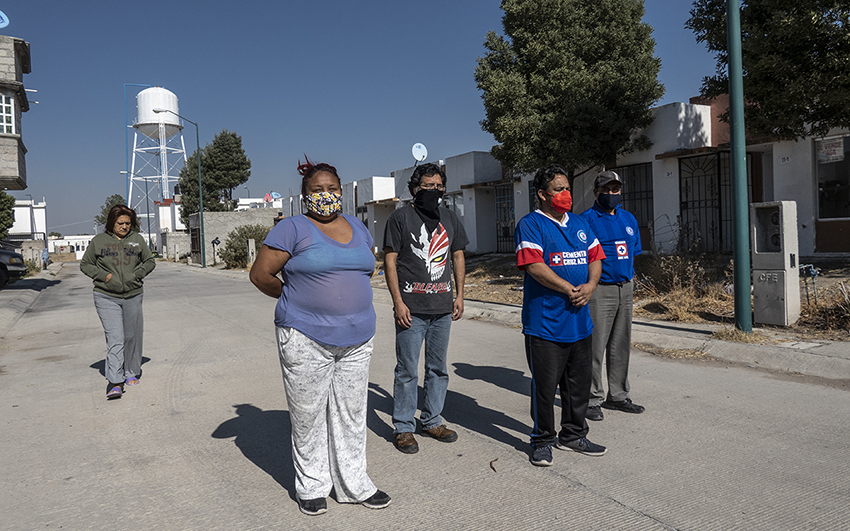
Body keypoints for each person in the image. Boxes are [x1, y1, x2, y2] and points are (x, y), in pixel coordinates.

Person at [249, 158, 390, 516]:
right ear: (304, 195)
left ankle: (354, 484)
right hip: (305, 336)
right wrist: (295, 300)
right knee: (308, 415)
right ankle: (311, 485)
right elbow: (261, 274)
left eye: (331, 189)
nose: (325, 195)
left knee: (352, 414)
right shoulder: (293, 228)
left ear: (341, 191)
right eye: (317, 190)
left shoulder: (359, 227)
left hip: (358, 339)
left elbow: (365, 269)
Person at [514, 164, 607, 467]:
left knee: (578, 385)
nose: (565, 194)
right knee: (545, 387)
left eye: (567, 188)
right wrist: (569, 288)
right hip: (546, 324)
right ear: (542, 194)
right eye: (558, 190)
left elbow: (595, 256)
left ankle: (574, 434)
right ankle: (542, 440)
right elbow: (533, 265)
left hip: (580, 321)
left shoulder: (580, 223)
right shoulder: (531, 224)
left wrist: (591, 286)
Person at [383, 162, 468, 454]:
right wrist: (398, 302)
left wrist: (460, 295)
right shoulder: (400, 218)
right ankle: (404, 427)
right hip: (412, 309)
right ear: (414, 189)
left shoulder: (450, 218)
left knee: (438, 369)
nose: (434, 191)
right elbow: (390, 261)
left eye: (438, 186)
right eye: (427, 186)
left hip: (442, 308)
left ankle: (432, 420)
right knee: (407, 371)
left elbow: (457, 255)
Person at [580, 171, 645, 421]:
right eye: (605, 190)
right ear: (596, 192)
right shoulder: (586, 220)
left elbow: (633, 251)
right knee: (595, 345)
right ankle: (592, 398)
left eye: (615, 189)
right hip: (600, 290)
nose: (610, 194)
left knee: (620, 344)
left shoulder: (628, 218)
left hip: (625, 288)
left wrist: (628, 278)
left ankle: (618, 395)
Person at [80, 205, 155, 400]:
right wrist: (105, 276)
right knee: (115, 337)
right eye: (120, 223)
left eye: (128, 223)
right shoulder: (99, 241)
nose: (124, 227)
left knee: (132, 336)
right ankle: (115, 381)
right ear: (111, 222)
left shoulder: (137, 240)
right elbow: (85, 264)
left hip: (133, 294)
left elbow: (149, 261)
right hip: (106, 296)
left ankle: (130, 371)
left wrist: (136, 275)